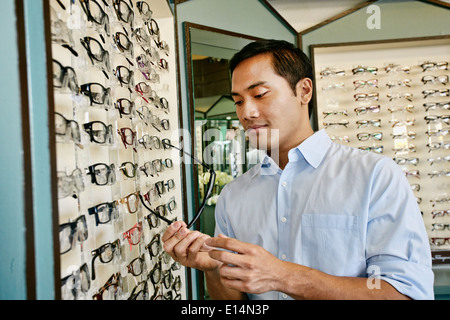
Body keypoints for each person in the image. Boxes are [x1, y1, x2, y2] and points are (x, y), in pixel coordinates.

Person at [162, 39, 434, 300]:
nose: (247, 113)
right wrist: (213, 268)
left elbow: (405, 293)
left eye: (259, 94)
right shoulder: (234, 195)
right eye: (239, 101)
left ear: (304, 91)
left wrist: (281, 276)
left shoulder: (375, 176)